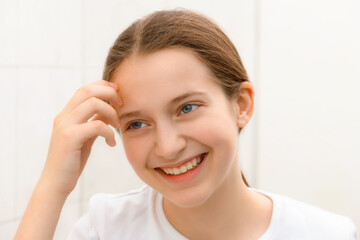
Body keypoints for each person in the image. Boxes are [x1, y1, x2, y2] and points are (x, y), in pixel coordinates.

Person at [15, 9, 357, 240]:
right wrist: (52, 186)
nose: (167, 146)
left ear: (241, 105)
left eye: (187, 107)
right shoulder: (107, 228)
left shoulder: (327, 234)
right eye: (136, 124)